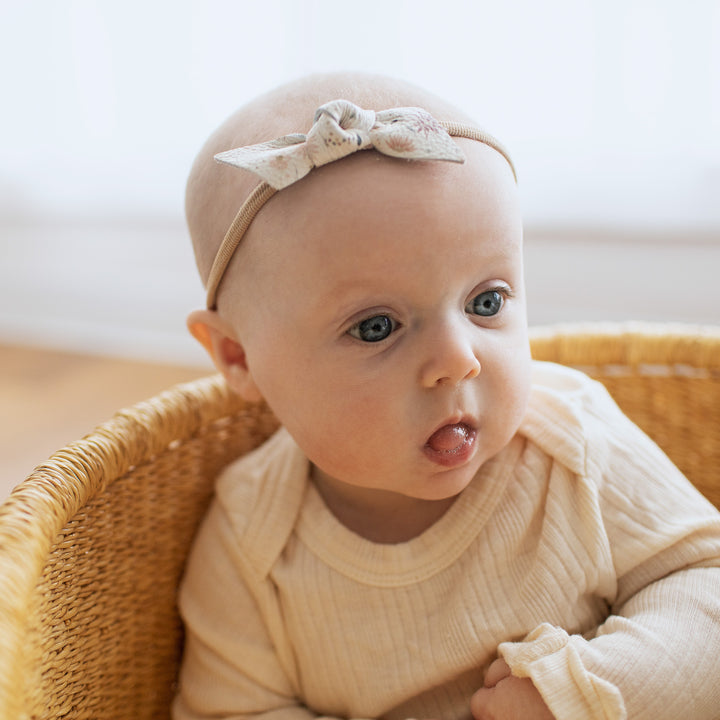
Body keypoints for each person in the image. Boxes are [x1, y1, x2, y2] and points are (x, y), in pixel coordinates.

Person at [173, 73, 720, 720]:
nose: (459, 360)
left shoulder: (574, 441)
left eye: (486, 302)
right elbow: (229, 711)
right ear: (239, 358)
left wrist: (586, 694)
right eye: (376, 327)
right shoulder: (250, 540)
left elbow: (702, 584)